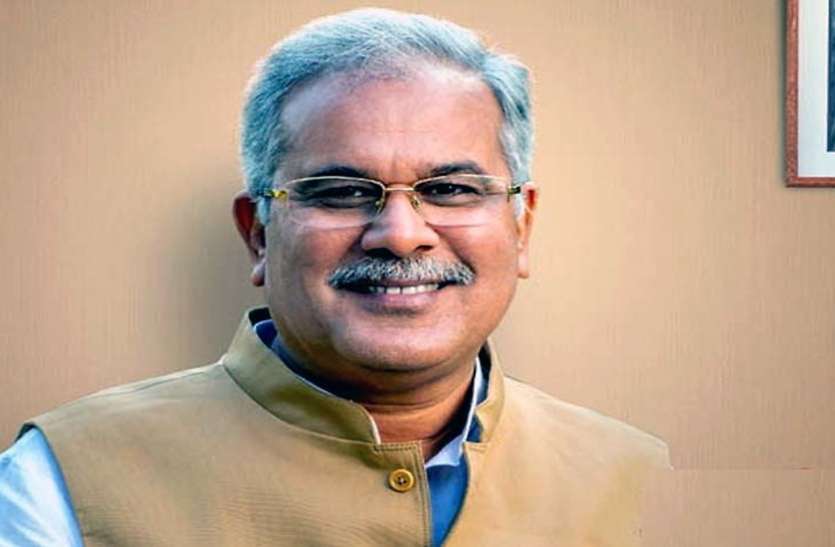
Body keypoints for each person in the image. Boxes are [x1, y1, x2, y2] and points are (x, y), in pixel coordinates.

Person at [0, 8, 669, 546]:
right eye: (341, 192)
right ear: (259, 234)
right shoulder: (65, 482)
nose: (400, 234)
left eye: (450, 189)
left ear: (521, 227)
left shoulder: (638, 480)